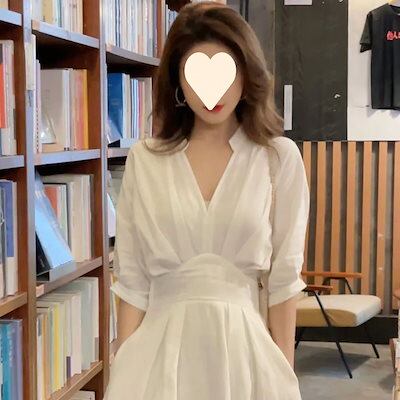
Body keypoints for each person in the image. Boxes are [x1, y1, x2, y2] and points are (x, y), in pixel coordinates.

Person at [103, 2, 310, 399]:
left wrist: (285, 375)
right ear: (178, 82)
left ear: (246, 75)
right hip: (156, 359)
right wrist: (121, 373)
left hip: (246, 356)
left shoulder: (277, 158)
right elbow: (132, 281)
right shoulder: (145, 160)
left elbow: (284, 281)